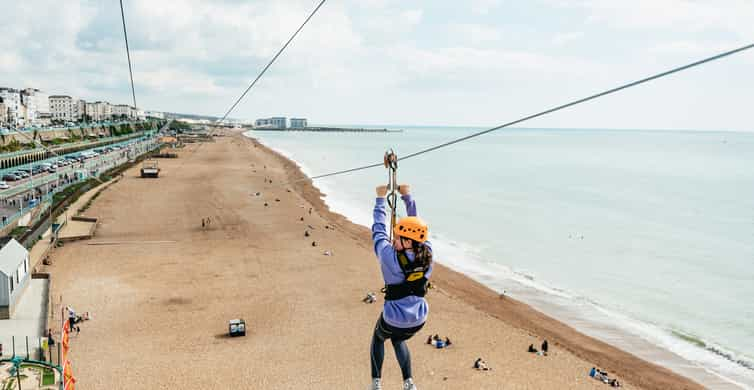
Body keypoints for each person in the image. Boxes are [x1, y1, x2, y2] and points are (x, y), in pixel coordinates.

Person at [369, 184, 433, 390]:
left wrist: (380, 199)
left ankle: (376, 384)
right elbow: (417, 228)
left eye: (398, 237)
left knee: (378, 338)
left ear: (407, 241)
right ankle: (408, 383)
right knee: (398, 340)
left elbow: (378, 230)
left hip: (393, 317)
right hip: (418, 319)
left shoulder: (389, 257)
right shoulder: (428, 254)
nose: (394, 239)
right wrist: (407, 196)